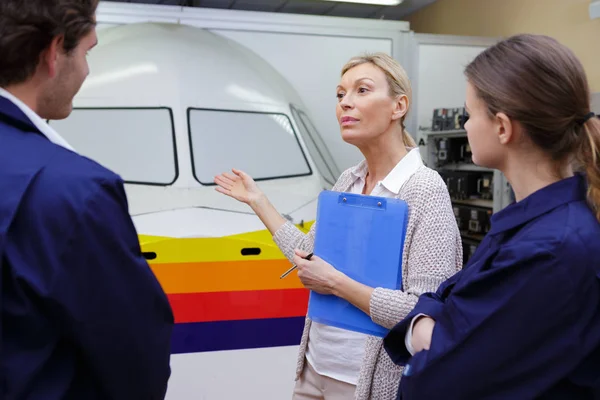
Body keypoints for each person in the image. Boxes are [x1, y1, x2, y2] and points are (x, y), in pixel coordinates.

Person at [214, 53, 462, 400]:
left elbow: (424, 310)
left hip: (366, 383)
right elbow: (310, 257)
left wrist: (335, 283)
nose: (345, 102)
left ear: (398, 106)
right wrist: (259, 201)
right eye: (340, 94)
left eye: (361, 90)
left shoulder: (424, 189)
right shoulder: (348, 179)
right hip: (314, 369)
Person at [383, 34, 600, 399]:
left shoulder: (549, 250)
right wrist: (425, 326)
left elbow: (435, 383)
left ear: (502, 127)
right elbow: (449, 300)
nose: (465, 126)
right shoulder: (533, 225)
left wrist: (422, 331)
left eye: (469, 114)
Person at [0, 1, 174, 399]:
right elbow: (134, 355)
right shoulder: (74, 191)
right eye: (86, 52)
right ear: (52, 52)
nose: (87, 69)